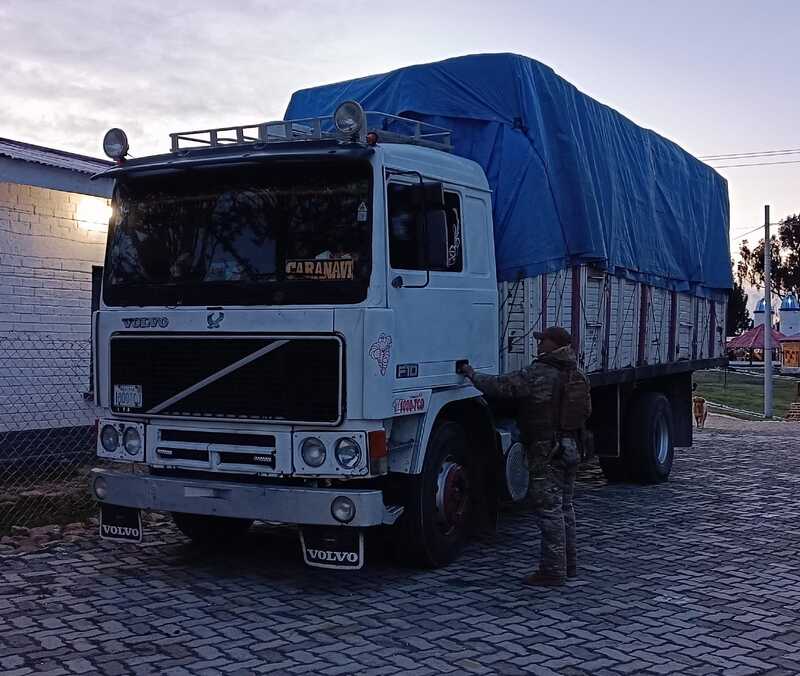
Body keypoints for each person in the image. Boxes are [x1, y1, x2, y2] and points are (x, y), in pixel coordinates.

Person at [458, 326, 591, 587]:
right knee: (566, 508)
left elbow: (501, 386)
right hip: (571, 447)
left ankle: (552, 571)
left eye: (543, 341)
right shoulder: (577, 375)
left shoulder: (539, 373)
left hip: (546, 450)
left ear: (553, 345)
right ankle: (569, 565)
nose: (539, 345)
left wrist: (470, 374)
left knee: (549, 511)